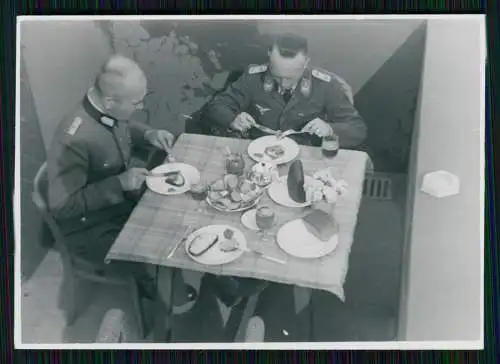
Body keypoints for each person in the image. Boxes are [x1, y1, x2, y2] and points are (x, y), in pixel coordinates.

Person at [46, 55, 197, 331]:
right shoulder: (74, 138)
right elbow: (61, 206)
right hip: (91, 227)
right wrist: (119, 183)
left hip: (117, 204)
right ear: (110, 102)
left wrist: (149, 134)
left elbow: (121, 126)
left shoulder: (104, 108)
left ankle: (162, 279)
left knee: (174, 214)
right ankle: (158, 292)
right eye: (136, 103)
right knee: (160, 242)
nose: (141, 107)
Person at [203, 33, 368, 148]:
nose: (283, 83)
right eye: (276, 75)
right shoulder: (253, 76)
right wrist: (233, 118)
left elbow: (358, 130)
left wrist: (330, 130)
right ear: (269, 58)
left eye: (290, 77)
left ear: (305, 63)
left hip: (306, 156)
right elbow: (217, 105)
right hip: (260, 153)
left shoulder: (326, 85)